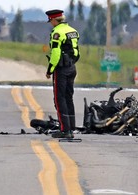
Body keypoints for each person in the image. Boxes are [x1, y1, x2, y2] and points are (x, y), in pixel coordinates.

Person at [45, 9, 80, 138]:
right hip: (72, 67)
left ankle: (65, 130)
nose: (51, 24)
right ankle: (71, 127)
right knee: (69, 97)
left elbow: (55, 54)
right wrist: (72, 62)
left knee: (59, 99)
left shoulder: (57, 32)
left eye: (51, 21)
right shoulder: (72, 31)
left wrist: (50, 69)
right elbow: (76, 52)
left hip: (61, 69)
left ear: (54, 20)